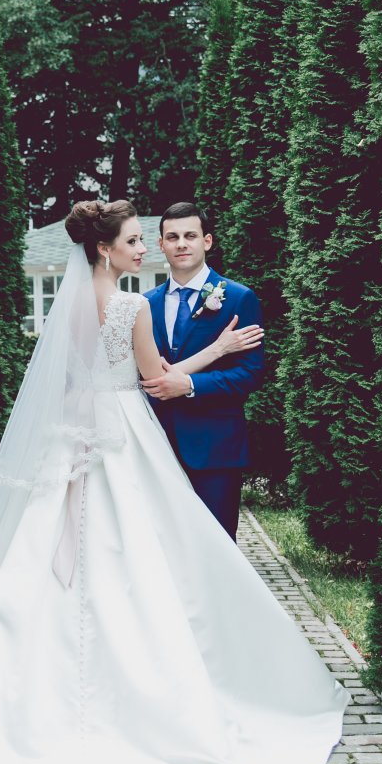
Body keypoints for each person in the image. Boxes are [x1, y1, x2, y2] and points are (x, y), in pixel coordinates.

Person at [0, 200, 347, 764]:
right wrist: (217, 351)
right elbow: (155, 380)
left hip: (70, 441)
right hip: (123, 438)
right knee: (143, 556)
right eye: (135, 241)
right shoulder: (134, 306)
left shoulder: (69, 306)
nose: (145, 249)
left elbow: (63, 384)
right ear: (105, 249)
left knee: (36, 560)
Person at [143, 202, 264, 540]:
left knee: (216, 545)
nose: (181, 244)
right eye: (173, 237)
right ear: (161, 244)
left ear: (207, 241)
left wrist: (191, 385)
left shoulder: (238, 298)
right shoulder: (145, 304)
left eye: (190, 236)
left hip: (215, 450)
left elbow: (250, 373)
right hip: (155, 447)